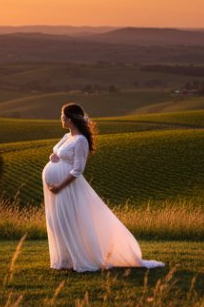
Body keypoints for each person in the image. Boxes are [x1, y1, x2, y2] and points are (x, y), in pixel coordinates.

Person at [42, 103, 164, 272]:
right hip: (55, 188)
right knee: (58, 222)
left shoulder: (81, 140)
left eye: (62, 116)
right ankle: (66, 259)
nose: (61, 119)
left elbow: (78, 169)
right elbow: (59, 152)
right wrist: (53, 156)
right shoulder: (67, 137)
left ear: (69, 119)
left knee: (69, 220)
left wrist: (59, 187)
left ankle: (80, 259)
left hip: (66, 188)